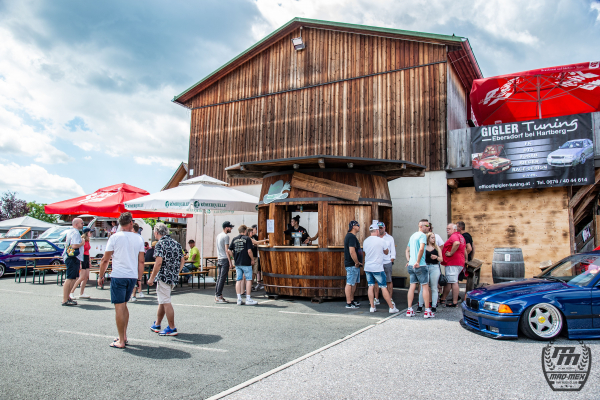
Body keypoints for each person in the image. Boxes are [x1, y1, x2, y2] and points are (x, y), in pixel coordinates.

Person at [98, 212, 145, 348]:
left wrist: (101, 276)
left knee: (119, 306)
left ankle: (121, 341)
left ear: (119, 224)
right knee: (124, 305)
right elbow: (141, 261)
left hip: (118, 275)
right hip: (132, 276)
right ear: (131, 223)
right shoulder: (139, 238)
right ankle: (123, 335)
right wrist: (139, 278)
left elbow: (105, 259)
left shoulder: (114, 237)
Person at [147, 222, 185, 336]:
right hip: (173, 276)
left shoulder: (160, 244)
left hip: (164, 276)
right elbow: (182, 260)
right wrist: (176, 272)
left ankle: (172, 327)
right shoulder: (176, 243)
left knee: (166, 301)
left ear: (156, 232)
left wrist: (151, 278)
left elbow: (158, 263)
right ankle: (157, 323)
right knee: (163, 300)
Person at [363, 223, 399, 314]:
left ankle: (372, 307)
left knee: (370, 286)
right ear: (377, 231)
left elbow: (365, 251)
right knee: (383, 287)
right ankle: (391, 307)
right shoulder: (381, 240)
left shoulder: (365, 241)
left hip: (368, 267)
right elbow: (386, 252)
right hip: (378, 267)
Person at [405, 219, 433, 318]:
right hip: (420, 265)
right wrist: (417, 261)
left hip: (411, 265)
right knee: (425, 286)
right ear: (421, 226)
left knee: (412, 286)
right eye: (426, 225)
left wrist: (409, 261)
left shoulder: (412, 236)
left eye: (429, 225)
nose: (428, 227)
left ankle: (409, 309)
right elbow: (421, 248)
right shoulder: (422, 236)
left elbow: (407, 250)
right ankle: (427, 311)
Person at [228, 224, 257, 306]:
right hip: (246, 262)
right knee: (248, 279)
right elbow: (249, 251)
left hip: (237, 262)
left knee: (238, 280)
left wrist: (234, 256)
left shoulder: (234, 239)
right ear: (245, 231)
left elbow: (229, 250)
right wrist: (252, 259)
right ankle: (248, 298)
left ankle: (239, 299)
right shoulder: (247, 239)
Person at [441, 223, 467, 308]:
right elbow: (464, 249)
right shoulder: (461, 236)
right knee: (450, 281)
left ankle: (454, 302)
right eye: (447, 228)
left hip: (453, 262)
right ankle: (443, 298)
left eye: (449, 229)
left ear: (455, 229)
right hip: (458, 262)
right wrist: (465, 260)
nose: (447, 230)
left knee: (454, 282)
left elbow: (456, 243)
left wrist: (451, 253)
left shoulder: (454, 236)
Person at [62, 218, 85, 306]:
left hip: (71, 257)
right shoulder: (75, 233)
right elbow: (74, 245)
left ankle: (67, 297)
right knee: (70, 278)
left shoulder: (71, 231)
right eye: (81, 223)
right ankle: (65, 299)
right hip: (72, 257)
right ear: (76, 224)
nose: (83, 224)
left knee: (73, 278)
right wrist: (82, 243)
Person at [418, 232, 443, 313]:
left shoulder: (436, 247)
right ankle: (420, 305)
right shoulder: (423, 247)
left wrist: (436, 257)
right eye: (432, 237)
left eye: (434, 237)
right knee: (423, 287)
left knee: (434, 287)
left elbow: (441, 259)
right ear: (428, 238)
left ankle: (434, 306)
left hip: (434, 267)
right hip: (425, 267)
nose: (434, 239)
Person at [373, 222, 395, 308]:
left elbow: (392, 249)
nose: (380, 229)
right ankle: (376, 298)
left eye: (381, 228)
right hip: (377, 262)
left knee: (388, 280)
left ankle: (390, 298)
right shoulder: (375, 238)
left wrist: (392, 258)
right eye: (378, 228)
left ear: (384, 228)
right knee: (376, 281)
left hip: (387, 261)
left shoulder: (390, 238)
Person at [343, 220, 362, 309]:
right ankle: (348, 303)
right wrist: (356, 262)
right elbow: (352, 251)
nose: (359, 227)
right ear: (353, 226)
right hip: (352, 265)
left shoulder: (351, 236)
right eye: (358, 225)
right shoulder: (351, 237)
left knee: (353, 283)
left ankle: (352, 300)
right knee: (350, 283)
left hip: (354, 265)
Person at [69, 227, 92, 299]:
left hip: (86, 257)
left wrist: (89, 261)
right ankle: (71, 292)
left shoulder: (87, 240)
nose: (91, 233)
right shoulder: (82, 240)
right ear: (87, 233)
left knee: (86, 277)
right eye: (90, 232)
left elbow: (88, 251)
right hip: (82, 258)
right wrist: (80, 262)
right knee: (82, 277)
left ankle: (82, 293)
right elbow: (80, 251)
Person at [215, 221, 234, 303]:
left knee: (219, 278)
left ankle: (217, 295)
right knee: (222, 279)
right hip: (224, 259)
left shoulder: (218, 235)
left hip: (219, 258)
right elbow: (227, 250)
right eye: (230, 227)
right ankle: (219, 296)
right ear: (226, 227)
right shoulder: (226, 236)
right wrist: (230, 262)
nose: (231, 229)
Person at [248, 225, 268, 291]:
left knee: (255, 271)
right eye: (255, 229)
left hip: (255, 255)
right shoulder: (248, 238)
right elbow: (256, 243)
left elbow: (257, 243)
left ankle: (251, 285)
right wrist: (265, 240)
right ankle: (248, 287)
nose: (256, 231)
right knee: (250, 272)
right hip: (251, 256)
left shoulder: (256, 237)